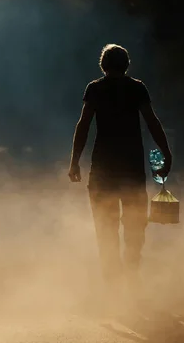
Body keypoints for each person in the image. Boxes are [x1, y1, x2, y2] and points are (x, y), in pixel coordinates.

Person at [68, 44, 172, 299]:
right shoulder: (137, 88)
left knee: (106, 227)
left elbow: (83, 125)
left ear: (103, 65)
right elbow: (152, 121)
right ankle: (132, 276)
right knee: (135, 225)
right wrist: (166, 153)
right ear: (126, 65)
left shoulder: (95, 89)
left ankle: (113, 288)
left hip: (102, 170)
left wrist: (74, 162)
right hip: (132, 170)